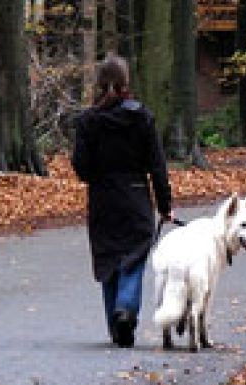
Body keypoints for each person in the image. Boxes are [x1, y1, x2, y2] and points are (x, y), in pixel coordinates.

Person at [71, 53, 174, 348]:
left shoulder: (88, 120)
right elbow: (157, 165)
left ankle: (116, 328)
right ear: (126, 81)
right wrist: (165, 205)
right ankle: (126, 308)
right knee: (133, 256)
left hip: (103, 198)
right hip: (135, 196)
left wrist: (96, 175)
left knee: (108, 260)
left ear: (99, 82)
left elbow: (80, 166)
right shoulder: (141, 116)